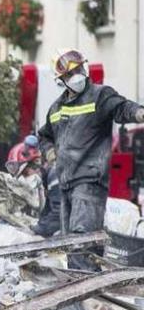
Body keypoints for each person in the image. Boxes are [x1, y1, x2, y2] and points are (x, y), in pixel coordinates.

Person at [38, 49, 144, 270]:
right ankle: (86, 287)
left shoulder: (99, 95)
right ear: (62, 80)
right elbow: (44, 135)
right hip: (67, 184)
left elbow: (122, 107)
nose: (77, 75)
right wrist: (49, 152)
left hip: (89, 182)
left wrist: (139, 113)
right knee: (76, 245)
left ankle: (84, 290)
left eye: (79, 69)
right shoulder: (57, 108)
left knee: (81, 240)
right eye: (70, 73)